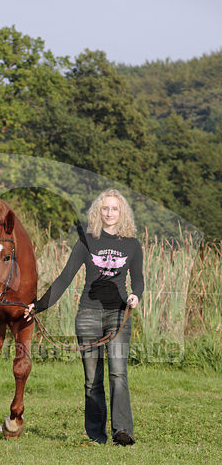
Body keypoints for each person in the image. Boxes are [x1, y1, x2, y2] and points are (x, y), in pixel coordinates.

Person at [24, 189, 144, 445]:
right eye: (105, 209)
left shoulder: (132, 245)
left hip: (118, 314)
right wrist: (37, 305)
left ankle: (123, 431)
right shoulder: (86, 241)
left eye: (114, 209)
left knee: (118, 374)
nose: (109, 213)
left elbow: (139, 279)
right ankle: (96, 435)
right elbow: (65, 278)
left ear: (121, 213)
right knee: (92, 379)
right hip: (88, 315)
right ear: (98, 212)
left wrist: (136, 296)